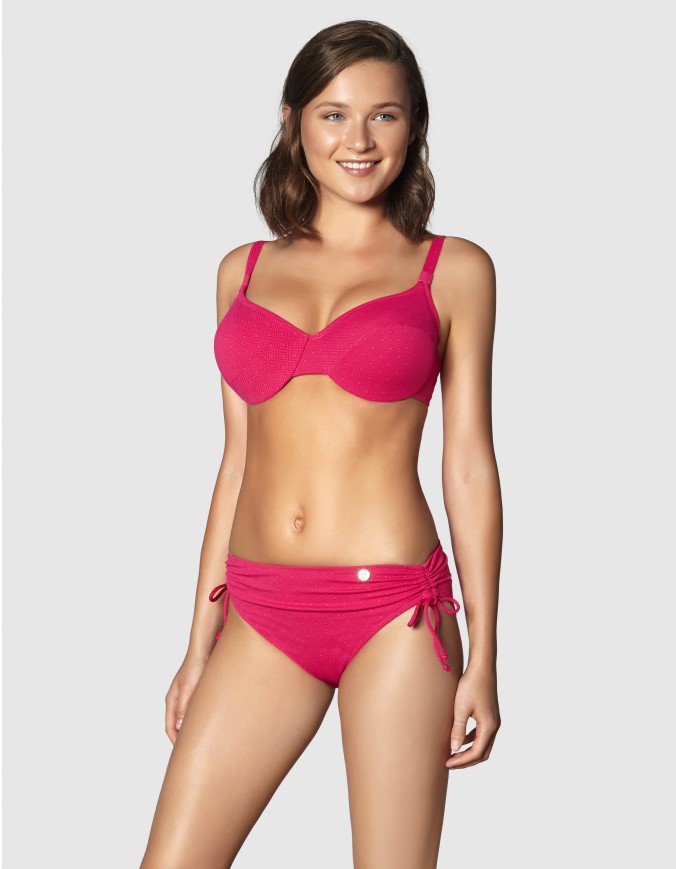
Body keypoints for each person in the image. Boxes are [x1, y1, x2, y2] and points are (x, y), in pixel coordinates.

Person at [140, 18, 502, 869]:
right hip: (260, 610)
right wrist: (198, 643)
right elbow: (237, 462)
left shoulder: (453, 269)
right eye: (334, 114)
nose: (359, 140)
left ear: (414, 126)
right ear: (294, 121)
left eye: (385, 115)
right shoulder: (241, 271)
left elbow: (468, 464)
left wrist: (485, 656)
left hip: (396, 614)